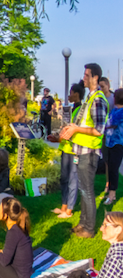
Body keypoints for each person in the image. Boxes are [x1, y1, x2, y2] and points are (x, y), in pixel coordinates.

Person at [60, 63, 108, 238]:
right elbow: (83, 124)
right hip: (81, 151)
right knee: (83, 190)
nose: (83, 78)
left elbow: (98, 129)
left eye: (87, 75)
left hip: (89, 152)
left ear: (95, 77)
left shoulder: (97, 100)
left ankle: (89, 228)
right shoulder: (90, 98)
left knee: (87, 191)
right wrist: (71, 129)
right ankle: (83, 224)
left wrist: (76, 130)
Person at [53, 82, 85, 219]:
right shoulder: (71, 109)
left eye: (71, 93)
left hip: (75, 150)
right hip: (66, 148)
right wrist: (57, 136)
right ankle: (64, 206)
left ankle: (70, 210)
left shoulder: (82, 110)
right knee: (64, 178)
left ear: (76, 94)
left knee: (73, 179)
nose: (69, 95)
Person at [103, 89, 123, 208]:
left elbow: (111, 123)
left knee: (114, 169)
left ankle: (112, 194)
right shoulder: (115, 110)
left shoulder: (121, 112)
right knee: (110, 168)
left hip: (118, 144)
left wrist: (102, 125)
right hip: (110, 143)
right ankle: (111, 192)